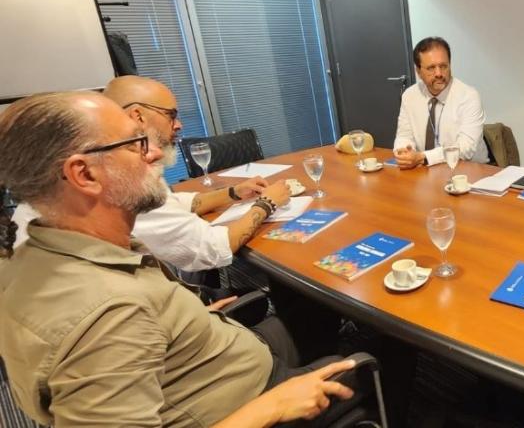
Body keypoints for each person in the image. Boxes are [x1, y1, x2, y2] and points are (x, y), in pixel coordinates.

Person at [0, 92, 359, 427]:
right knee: (381, 355)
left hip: (215, 361)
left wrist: (179, 323)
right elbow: (113, 329)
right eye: (135, 145)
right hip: (246, 397)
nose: (155, 154)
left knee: (315, 307)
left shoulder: (36, 252)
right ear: (85, 174)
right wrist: (273, 406)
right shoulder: (108, 314)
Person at [10, 76, 289, 276]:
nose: (152, 154)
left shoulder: (51, 196)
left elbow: (167, 204)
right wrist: (267, 203)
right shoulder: (115, 184)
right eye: (134, 143)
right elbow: (211, 248)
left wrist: (231, 193)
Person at [393, 36, 489, 168]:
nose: (438, 73)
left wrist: (423, 157)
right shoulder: (410, 96)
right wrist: (403, 152)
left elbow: (466, 148)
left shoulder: (468, 96)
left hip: (468, 170)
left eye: (443, 66)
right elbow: (404, 135)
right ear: (418, 71)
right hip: (425, 170)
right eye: (431, 68)